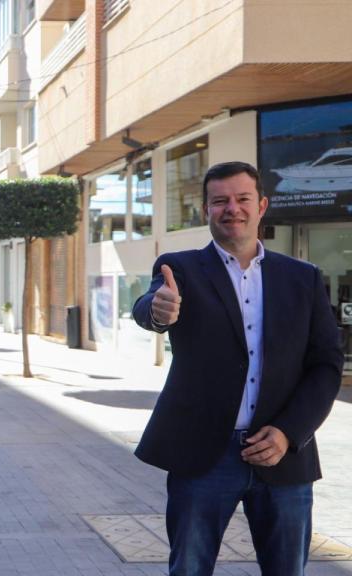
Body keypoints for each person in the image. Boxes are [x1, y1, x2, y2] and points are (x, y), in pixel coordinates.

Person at [132, 161, 343, 575]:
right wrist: (159, 312)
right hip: (204, 457)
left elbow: (326, 365)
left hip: (283, 456)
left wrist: (289, 433)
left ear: (261, 205)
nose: (233, 208)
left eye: (242, 198)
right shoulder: (181, 268)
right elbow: (149, 305)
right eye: (220, 201)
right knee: (189, 568)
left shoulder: (302, 277)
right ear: (206, 209)